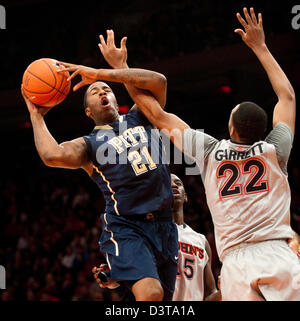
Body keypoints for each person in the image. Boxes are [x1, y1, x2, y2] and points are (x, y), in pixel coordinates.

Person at [103, 8, 299, 300]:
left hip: (236, 262)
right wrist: (261, 47)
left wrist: (122, 68)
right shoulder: (276, 150)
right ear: (262, 131)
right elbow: (287, 96)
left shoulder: (210, 151)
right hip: (279, 253)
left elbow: (155, 113)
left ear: (231, 128)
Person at [22, 30, 178, 301]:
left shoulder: (142, 116)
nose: (102, 90)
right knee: (151, 293)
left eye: (106, 89)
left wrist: (110, 71)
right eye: (95, 92)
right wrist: (36, 116)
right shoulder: (89, 144)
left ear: (118, 99)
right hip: (127, 226)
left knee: (162, 301)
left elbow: (159, 81)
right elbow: (51, 155)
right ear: (88, 111)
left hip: (165, 224)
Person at [171, 173, 221, 301]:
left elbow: (210, 293)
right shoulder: (152, 234)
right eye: (167, 184)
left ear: (185, 196)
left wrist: (223, 290)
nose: (173, 186)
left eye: (178, 184)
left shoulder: (201, 241)